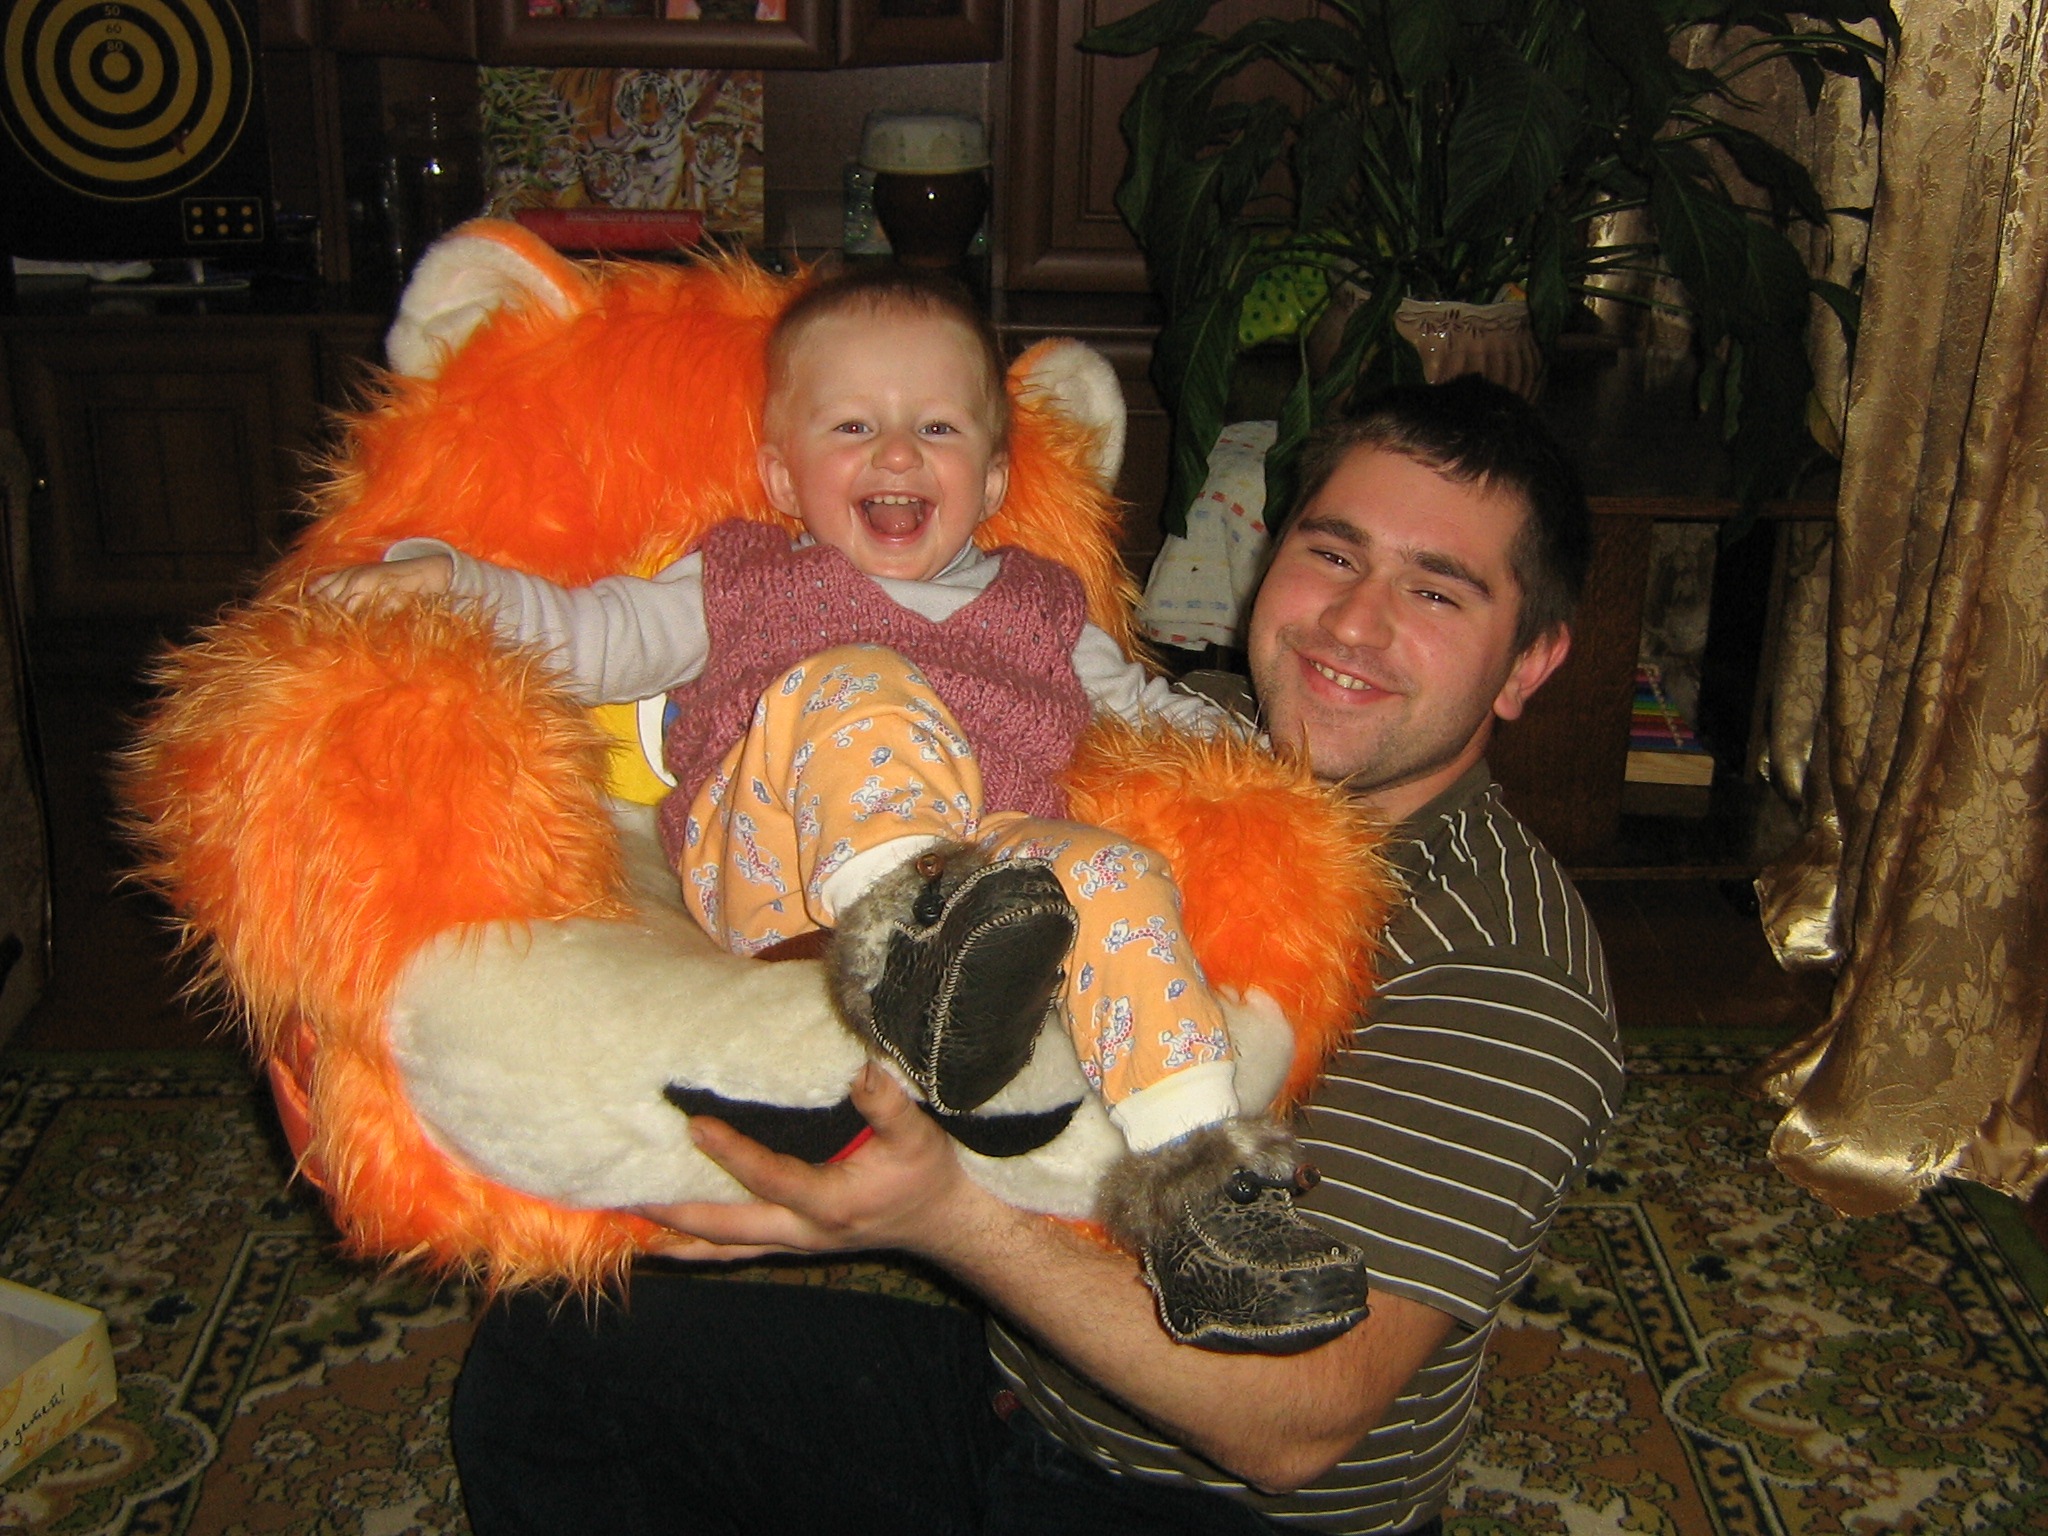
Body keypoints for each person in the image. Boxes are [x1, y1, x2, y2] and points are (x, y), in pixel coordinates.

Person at [446, 374, 1626, 1536]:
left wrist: (940, 1215)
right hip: (1029, 1390)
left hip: (1208, 1507)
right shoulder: (1193, 744)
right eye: (1331, 553)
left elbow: (1296, 1422)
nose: (1352, 623)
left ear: (1527, 663)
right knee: (549, 1371)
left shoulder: (1501, 967)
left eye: (1435, 591)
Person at [312, 263, 1367, 1352]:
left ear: (995, 478)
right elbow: (588, 633)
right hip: (778, 861)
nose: (898, 454)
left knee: (1111, 869)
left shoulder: (1046, 606)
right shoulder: (740, 576)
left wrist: (1277, 766)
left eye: (938, 428)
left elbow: (1149, 716)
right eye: (854, 426)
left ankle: (1205, 1195)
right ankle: (909, 946)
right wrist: (449, 582)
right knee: (860, 686)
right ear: (782, 471)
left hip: (991, 885)